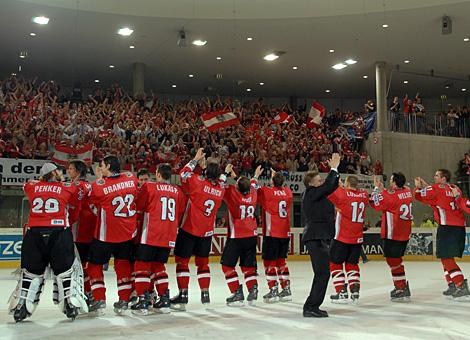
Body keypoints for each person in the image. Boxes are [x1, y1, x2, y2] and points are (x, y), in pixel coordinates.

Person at [9, 163, 87, 322]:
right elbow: (83, 191)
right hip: (59, 232)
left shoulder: (31, 186)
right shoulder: (67, 186)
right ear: (53, 173)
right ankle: (70, 305)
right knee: (66, 272)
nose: (62, 173)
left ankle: (22, 306)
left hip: (34, 233)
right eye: (59, 170)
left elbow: (27, 187)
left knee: (30, 273)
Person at [171, 148, 226, 310]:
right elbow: (220, 180)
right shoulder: (220, 189)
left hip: (189, 229)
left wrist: (195, 160)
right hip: (206, 233)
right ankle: (205, 294)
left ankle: (183, 295)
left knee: (182, 262)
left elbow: (183, 174)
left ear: (205, 173)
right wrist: (206, 169)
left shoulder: (197, 182)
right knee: (203, 264)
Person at [86, 155, 139, 315]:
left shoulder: (98, 185)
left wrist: (99, 179)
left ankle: (99, 299)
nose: (100, 169)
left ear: (108, 166)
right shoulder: (131, 178)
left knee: (94, 266)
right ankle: (123, 300)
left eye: (101, 166)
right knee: (123, 266)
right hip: (128, 234)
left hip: (106, 236)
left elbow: (92, 202)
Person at [131, 163, 186, 315]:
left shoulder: (150, 187)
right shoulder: (178, 191)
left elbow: (140, 205)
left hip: (151, 233)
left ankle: (142, 302)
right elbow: (179, 212)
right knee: (159, 267)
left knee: (141, 266)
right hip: (168, 235)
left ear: (159, 174)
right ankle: (164, 299)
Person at [414, 169, 469, 299]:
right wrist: (427, 186)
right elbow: (439, 194)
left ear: (443, 178)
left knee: (446, 258)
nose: (434, 177)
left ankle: (460, 284)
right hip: (459, 227)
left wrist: (418, 188)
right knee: (446, 257)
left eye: (437, 175)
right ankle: (452, 284)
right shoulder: (455, 188)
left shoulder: (436, 188)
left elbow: (420, 196)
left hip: (447, 227)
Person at [301, 153, 340, 318]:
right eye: (318, 180)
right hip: (316, 238)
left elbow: (331, 186)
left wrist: (334, 173)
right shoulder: (310, 193)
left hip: (320, 238)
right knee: (322, 273)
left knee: (322, 273)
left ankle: (312, 305)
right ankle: (310, 306)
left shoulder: (317, 194)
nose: (321, 182)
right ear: (311, 184)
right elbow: (329, 186)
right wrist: (334, 168)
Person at [220, 164, 262, 306]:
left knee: (227, 265)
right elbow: (253, 183)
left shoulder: (232, 193)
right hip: (251, 235)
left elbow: (220, 186)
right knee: (248, 266)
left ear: (237, 187)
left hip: (237, 236)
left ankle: (236, 292)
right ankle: (253, 289)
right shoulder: (253, 193)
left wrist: (226, 173)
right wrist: (255, 175)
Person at [371, 172, 413, 301]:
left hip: (393, 234)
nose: (389, 181)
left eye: (390, 180)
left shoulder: (391, 197)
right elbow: (391, 196)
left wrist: (377, 189)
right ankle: (401, 286)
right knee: (397, 260)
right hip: (404, 233)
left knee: (393, 262)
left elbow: (374, 203)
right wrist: (384, 191)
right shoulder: (408, 191)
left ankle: (401, 287)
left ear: (394, 182)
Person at [327, 176, 369, 303]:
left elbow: (328, 192)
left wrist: (337, 185)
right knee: (352, 265)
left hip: (342, 237)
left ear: (347, 183)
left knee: (335, 264)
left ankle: (341, 291)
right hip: (357, 238)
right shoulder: (364, 195)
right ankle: (355, 290)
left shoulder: (343, 194)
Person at [257, 169, 294, 303]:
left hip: (271, 232)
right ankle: (286, 289)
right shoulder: (288, 192)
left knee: (269, 262)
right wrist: (276, 178)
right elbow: (281, 188)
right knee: (281, 262)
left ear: (272, 181)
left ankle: (273, 289)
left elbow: (252, 188)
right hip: (285, 232)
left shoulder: (267, 192)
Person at [67, 160, 97, 304]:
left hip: (79, 232)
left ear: (78, 171)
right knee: (86, 265)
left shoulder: (77, 186)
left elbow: (74, 207)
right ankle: (89, 293)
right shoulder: (90, 185)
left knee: (78, 266)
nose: (69, 171)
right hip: (90, 231)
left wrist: (67, 224)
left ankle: (86, 294)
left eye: (71, 169)